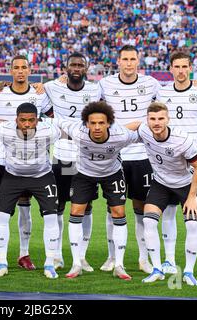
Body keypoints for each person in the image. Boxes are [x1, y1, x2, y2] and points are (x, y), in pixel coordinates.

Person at [52, 101, 140, 280]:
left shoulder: (121, 135)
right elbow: (57, 120)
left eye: (101, 123)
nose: (97, 127)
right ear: (86, 124)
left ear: (109, 123)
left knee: (118, 211)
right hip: (84, 174)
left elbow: (143, 131)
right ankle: (77, 263)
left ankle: (119, 265)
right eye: (93, 123)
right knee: (76, 211)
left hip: (112, 174)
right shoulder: (77, 131)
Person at [156, 52, 197, 279]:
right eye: (177, 66)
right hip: (171, 161)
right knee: (169, 210)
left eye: (185, 66)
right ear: (171, 69)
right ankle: (169, 261)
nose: (181, 70)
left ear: (190, 68)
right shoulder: (162, 92)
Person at [98, 45, 161, 274]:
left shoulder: (151, 83)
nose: (129, 63)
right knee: (113, 207)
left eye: (132, 59)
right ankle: (112, 256)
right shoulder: (105, 84)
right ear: (118, 61)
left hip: (143, 155)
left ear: (138, 61)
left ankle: (144, 258)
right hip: (115, 155)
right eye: (125, 59)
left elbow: (167, 106)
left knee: (141, 208)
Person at [0, 55, 53, 271]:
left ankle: (24, 253)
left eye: (24, 67)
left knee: (26, 209)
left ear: (29, 69)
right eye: (16, 68)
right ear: (10, 70)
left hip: (32, 163)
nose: (20, 71)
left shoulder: (39, 94)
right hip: (2, 161)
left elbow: (52, 119)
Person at [44, 52, 102, 271]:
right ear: (65, 68)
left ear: (86, 69)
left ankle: (82, 256)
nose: (76, 68)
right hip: (62, 157)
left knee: (86, 207)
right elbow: (34, 94)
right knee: (58, 207)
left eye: (80, 65)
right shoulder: (52, 87)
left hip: (86, 159)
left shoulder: (96, 89)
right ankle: (57, 255)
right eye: (73, 65)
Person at [0, 103, 60, 279]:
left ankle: (50, 263)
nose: (27, 124)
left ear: (38, 120)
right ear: (16, 120)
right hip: (12, 176)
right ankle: (3, 262)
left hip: (42, 176)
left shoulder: (50, 131)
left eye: (31, 120)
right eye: (23, 120)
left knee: (52, 217)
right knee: (1, 216)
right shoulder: (2, 131)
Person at [139, 102, 197, 286]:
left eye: (161, 118)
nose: (156, 122)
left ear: (168, 119)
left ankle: (189, 272)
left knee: (192, 225)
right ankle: (157, 269)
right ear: (147, 120)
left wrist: (191, 197)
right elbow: (134, 127)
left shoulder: (182, 140)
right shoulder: (144, 131)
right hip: (161, 183)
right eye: (152, 119)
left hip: (185, 185)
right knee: (148, 221)